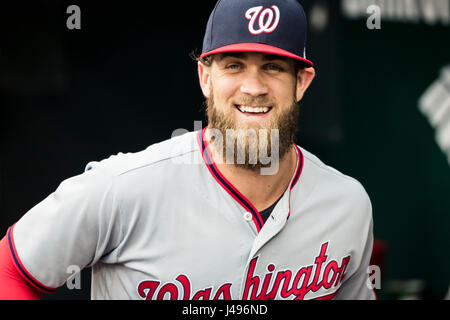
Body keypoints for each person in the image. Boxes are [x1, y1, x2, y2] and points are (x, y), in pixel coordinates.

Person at [0, 0, 375, 300]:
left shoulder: (346, 204)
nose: (253, 86)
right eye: (234, 65)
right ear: (205, 78)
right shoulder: (123, 188)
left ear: (302, 82)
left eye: (273, 67)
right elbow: (11, 269)